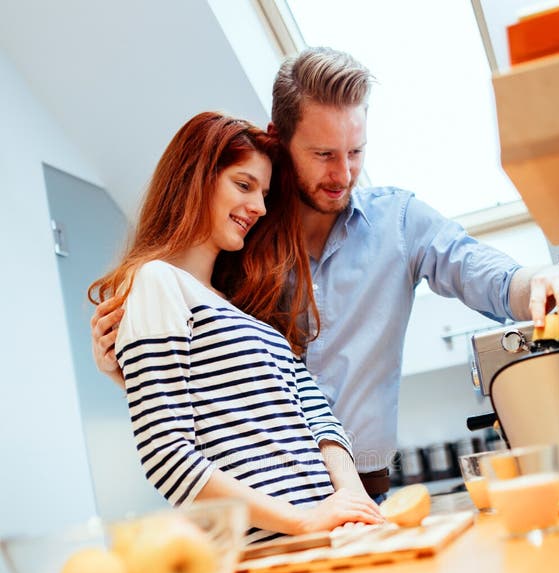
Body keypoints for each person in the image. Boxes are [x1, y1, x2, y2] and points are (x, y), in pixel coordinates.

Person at [92, 47, 559, 498]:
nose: (344, 174)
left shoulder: (400, 222)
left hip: (367, 492)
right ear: (280, 142)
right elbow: (203, 382)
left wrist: (539, 280)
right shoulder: (238, 240)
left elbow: (491, 278)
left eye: (356, 152)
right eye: (324, 154)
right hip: (267, 504)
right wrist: (130, 370)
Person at [88, 112, 383, 542]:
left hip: (331, 537)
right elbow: (166, 454)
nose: (259, 208)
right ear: (194, 179)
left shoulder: (246, 309)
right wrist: (301, 521)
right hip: (270, 554)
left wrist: (353, 503)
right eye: (243, 185)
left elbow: (316, 415)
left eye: (262, 193)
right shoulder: (157, 281)